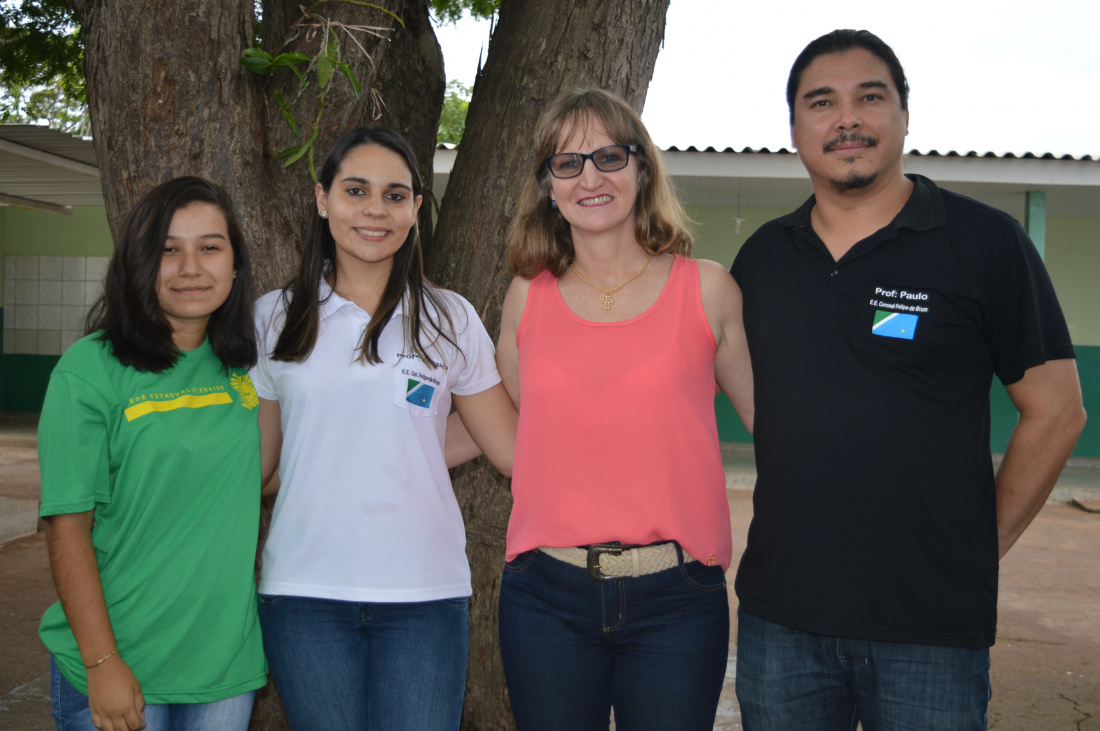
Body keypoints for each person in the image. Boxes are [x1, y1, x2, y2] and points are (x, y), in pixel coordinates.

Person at [730, 29, 1088, 731]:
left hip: (931, 630)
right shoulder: (764, 258)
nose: (847, 119)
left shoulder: (984, 243)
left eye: (870, 97)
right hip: (783, 620)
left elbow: (1058, 411)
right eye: (822, 102)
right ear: (795, 127)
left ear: (903, 114)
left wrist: (978, 547)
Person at [493, 88, 753, 731]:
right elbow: (535, 432)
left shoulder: (710, 289)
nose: (590, 177)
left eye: (610, 156)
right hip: (544, 597)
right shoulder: (525, 298)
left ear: (642, 169)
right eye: (567, 163)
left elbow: (775, 429)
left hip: (678, 597)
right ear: (547, 187)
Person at [251, 126, 517, 731]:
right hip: (303, 593)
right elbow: (263, 468)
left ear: (417, 210)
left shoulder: (450, 318)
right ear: (322, 199)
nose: (376, 210)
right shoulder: (272, 317)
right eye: (356, 190)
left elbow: (507, 445)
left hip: (424, 596)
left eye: (395, 195)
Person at [37, 177, 267, 731]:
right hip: (121, 662)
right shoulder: (89, 370)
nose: (191, 267)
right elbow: (67, 526)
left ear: (235, 264)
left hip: (224, 669)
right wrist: (102, 661)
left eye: (210, 247)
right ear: (139, 263)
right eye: (168, 249)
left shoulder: (252, 366)